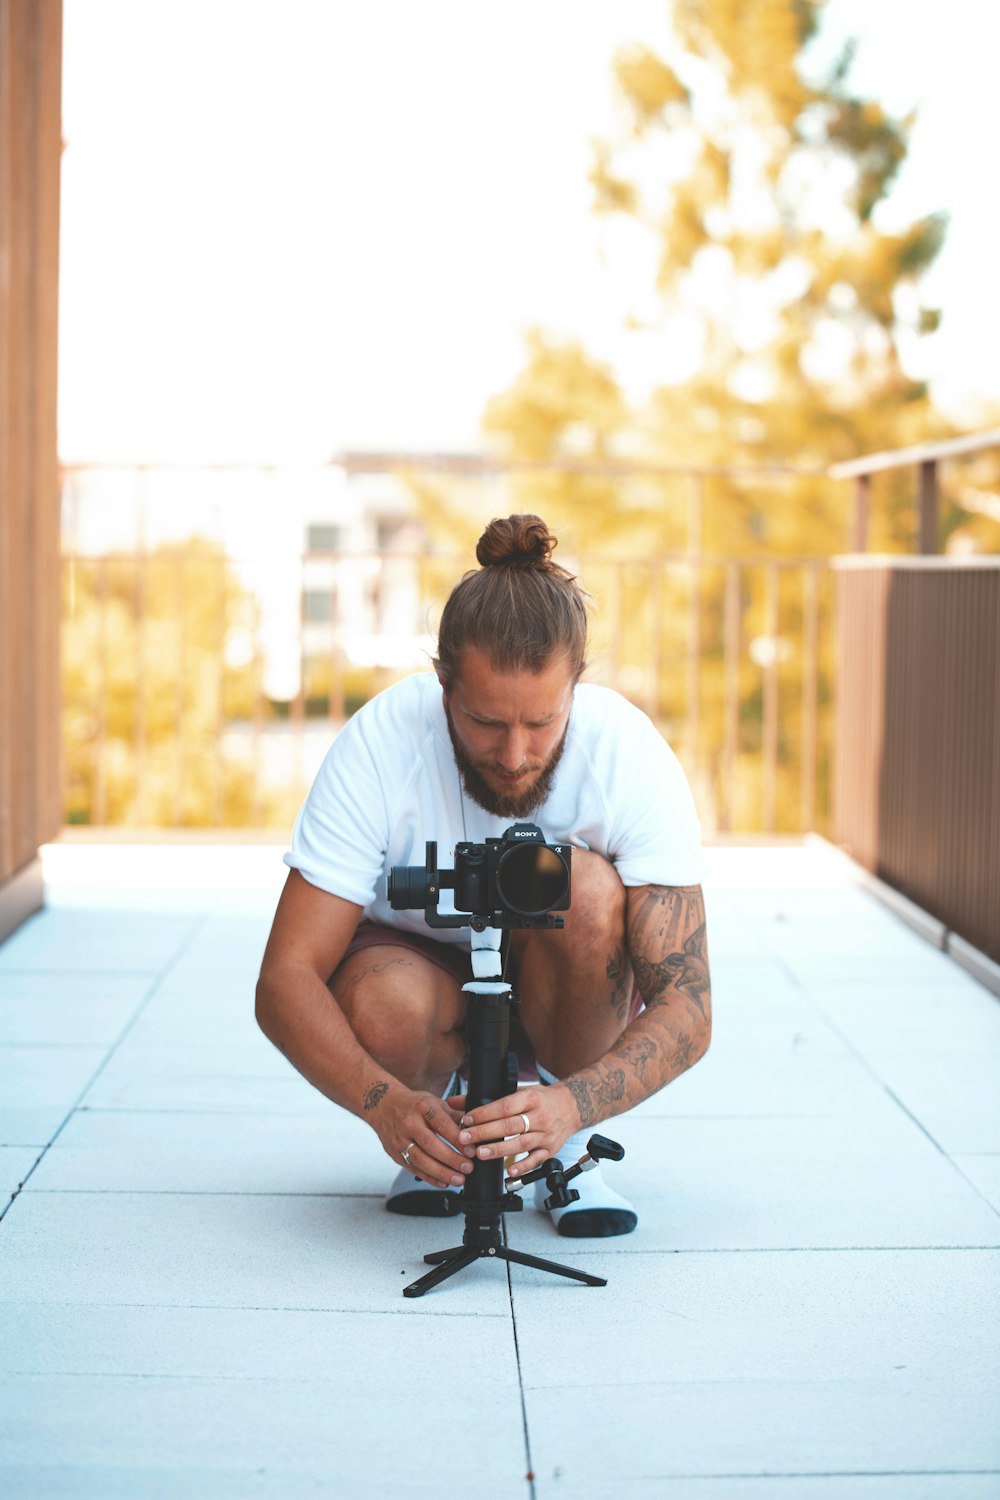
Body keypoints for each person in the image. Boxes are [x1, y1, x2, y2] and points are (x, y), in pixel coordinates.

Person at [256, 514, 711, 1237]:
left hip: (561, 995)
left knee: (588, 893)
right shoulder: (382, 741)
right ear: (442, 686)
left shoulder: (626, 753)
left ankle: (561, 1149)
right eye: (485, 722)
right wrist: (383, 1103)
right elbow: (284, 978)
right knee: (384, 1002)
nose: (515, 754)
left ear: (577, 687)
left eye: (543, 722)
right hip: (424, 980)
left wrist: (576, 1106)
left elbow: (688, 1006)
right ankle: (442, 1129)